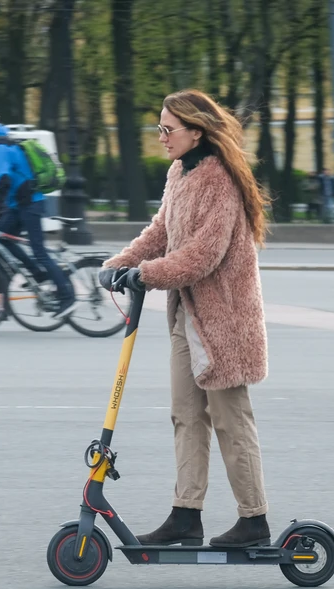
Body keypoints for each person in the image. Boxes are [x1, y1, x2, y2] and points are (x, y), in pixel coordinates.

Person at [98, 89, 273, 548]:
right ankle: (185, 514)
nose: (160, 138)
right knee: (186, 416)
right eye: (158, 128)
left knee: (230, 420)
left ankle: (254, 520)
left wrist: (145, 274)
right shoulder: (180, 172)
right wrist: (120, 263)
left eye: (167, 130)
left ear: (196, 131)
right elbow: (162, 231)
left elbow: (202, 255)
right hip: (187, 315)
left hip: (225, 322)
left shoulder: (219, 180)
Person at [0, 109, 76, 318]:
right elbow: (2, 179)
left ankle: (67, 297)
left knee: (39, 250)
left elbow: (2, 178)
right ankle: (36, 272)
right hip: (18, 205)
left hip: (30, 204)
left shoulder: (0, 147)